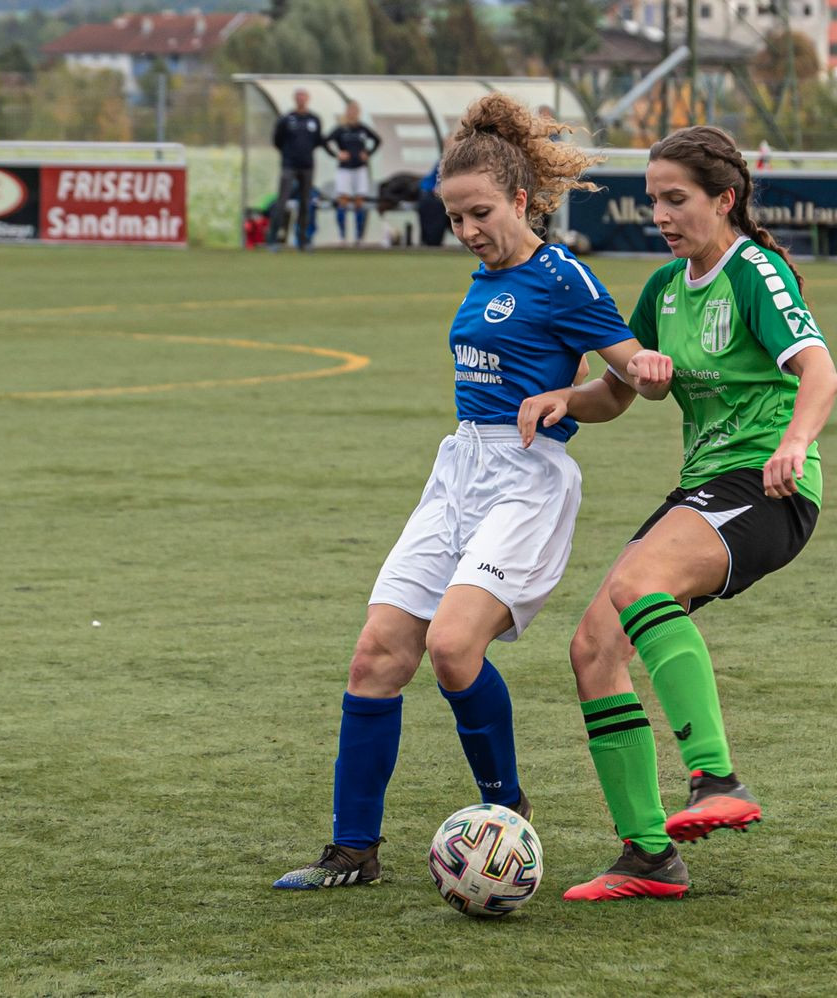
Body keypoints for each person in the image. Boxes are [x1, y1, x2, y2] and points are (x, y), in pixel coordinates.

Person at [273, 94, 650, 891]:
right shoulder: (485, 276)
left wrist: (580, 393)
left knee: (451, 647)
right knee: (376, 653)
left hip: (526, 478)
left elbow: (626, 385)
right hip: (457, 472)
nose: (469, 230)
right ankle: (352, 851)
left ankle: (506, 809)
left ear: (521, 199)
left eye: (481, 213)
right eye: (455, 218)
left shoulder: (564, 276)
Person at [517, 124, 837, 900]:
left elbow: (821, 373)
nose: (660, 215)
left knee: (638, 587)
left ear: (724, 200)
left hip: (767, 487)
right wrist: (566, 398)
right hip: (705, 489)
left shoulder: (754, 271)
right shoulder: (666, 287)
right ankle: (649, 856)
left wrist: (794, 443)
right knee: (593, 649)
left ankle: (717, 778)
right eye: (652, 201)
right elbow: (619, 392)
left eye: (675, 199)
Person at [268, 88, 325, 251]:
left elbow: (318, 141)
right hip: (289, 165)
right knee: (282, 202)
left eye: (303, 97)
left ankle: (303, 241)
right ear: (295, 99)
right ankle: (273, 239)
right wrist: (289, 153)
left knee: (306, 203)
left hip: (307, 166)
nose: (301, 100)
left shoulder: (314, 119)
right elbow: (277, 140)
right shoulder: (286, 119)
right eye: (298, 97)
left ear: (308, 99)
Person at [325, 101, 382, 246]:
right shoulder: (341, 129)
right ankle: (342, 237)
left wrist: (368, 153)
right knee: (342, 201)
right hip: (344, 169)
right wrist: (337, 154)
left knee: (359, 201)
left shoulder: (362, 129)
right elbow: (326, 141)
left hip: (360, 168)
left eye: (355, 110)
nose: (352, 113)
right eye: (350, 110)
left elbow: (377, 140)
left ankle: (359, 238)